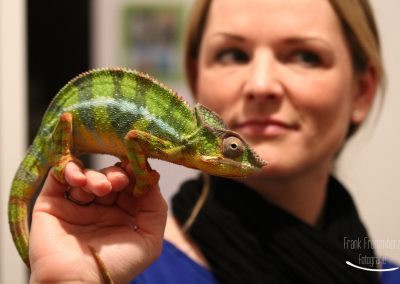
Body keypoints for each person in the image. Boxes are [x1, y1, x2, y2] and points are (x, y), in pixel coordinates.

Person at [28, 0, 399, 283]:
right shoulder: (129, 264)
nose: (261, 85)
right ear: (196, 76)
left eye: (305, 56)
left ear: (362, 91)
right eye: (233, 54)